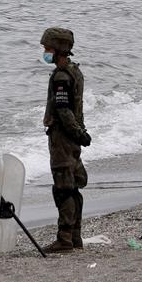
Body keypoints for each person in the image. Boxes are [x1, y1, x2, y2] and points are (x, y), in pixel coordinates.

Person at [39, 26, 92, 253]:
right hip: (73, 137)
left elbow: (63, 110)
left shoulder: (61, 76)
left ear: (59, 48)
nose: (44, 51)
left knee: (63, 188)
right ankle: (75, 236)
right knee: (73, 187)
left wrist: (77, 133)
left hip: (63, 138)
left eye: (47, 48)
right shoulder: (74, 71)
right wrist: (80, 133)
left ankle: (65, 238)